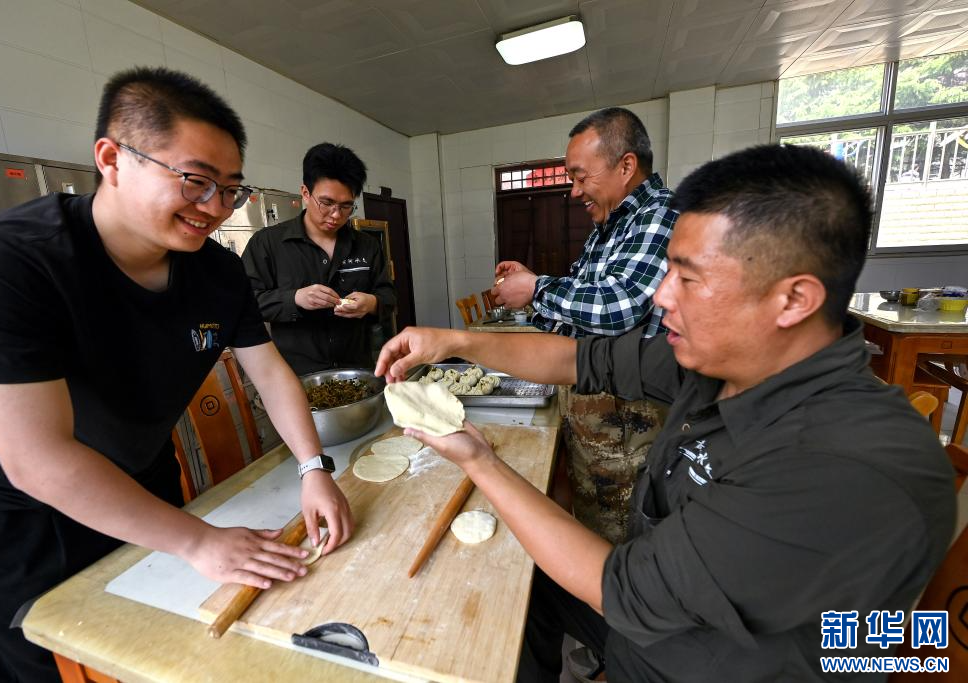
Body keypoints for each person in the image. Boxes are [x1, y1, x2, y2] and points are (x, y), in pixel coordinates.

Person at [376, 144, 955, 682]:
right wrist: (454, 341)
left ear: (793, 299)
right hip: (654, 622)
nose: (661, 296)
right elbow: (579, 358)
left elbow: (626, 593)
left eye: (689, 277)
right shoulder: (723, 365)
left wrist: (480, 461)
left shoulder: (839, 466)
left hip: (693, 665)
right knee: (516, 580)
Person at [0, 67, 353, 683]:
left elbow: (269, 372)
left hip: (143, 477)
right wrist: (197, 541)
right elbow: (37, 460)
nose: (214, 208)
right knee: (46, 660)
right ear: (112, 159)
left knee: (159, 639)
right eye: (195, 181)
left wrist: (313, 469)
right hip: (21, 514)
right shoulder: (7, 261)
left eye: (230, 190)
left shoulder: (216, 272)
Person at [496, 108, 679, 546]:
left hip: (627, 428)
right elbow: (579, 312)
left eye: (581, 176)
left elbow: (620, 307)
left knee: (620, 544)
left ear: (626, 166)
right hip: (596, 423)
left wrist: (537, 288)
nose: (575, 191)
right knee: (592, 529)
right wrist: (533, 289)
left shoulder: (659, 213)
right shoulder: (608, 227)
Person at [241, 143, 396, 376]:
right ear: (305, 193)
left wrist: (372, 303)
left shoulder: (367, 245)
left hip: (357, 370)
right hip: (296, 376)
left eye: (346, 206)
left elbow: (389, 296)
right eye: (327, 203)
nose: (336, 215)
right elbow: (246, 302)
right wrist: (295, 298)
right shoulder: (268, 243)